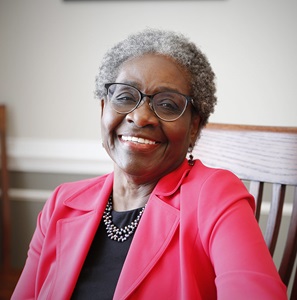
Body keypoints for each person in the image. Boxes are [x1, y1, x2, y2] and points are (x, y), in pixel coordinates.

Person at [12, 29, 287, 300]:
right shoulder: (63, 203)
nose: (140, 117)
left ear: (194, 127)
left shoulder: (215, 196)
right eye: (125, 97)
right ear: (103, 109)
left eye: (167, 104)